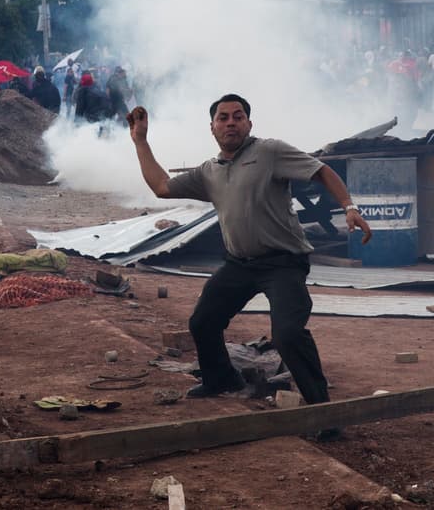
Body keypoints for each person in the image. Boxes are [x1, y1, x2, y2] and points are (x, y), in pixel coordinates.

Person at [128, 95, 371, 439]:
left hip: (283, 264)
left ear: (249, 124)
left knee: (287, 336)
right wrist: (140, 141)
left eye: (238, 116)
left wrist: (348, 206)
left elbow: (322, 172)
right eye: (223, 118)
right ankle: (221, 378)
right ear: (212, 128)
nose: (231, 122)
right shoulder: (209, 172)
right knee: (203, 321)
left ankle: (324, 413)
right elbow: (161, 187)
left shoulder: (269, 152)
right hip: (239, 264)